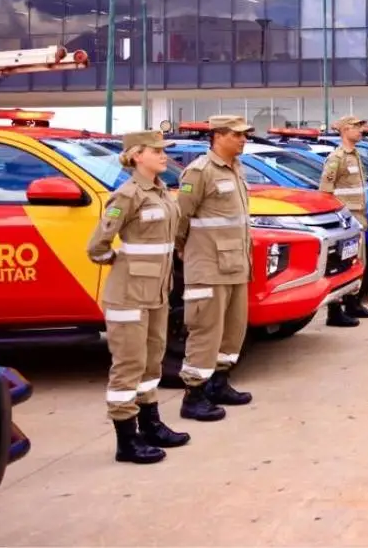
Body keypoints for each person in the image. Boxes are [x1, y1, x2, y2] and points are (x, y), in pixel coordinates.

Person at [86, 130, 190, 464]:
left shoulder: (161, 192)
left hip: (157, 292)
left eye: (164, 150)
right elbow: (96, 247)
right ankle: (126, 440)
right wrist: (119, 262)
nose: (163, 155)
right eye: (155, 150)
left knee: (151, 360)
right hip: (129, 294)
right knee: (128, 365)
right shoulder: (127, 195)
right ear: (136, 156)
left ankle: (151, 424)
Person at [175, 114, 254, 422]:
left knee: (233, 330)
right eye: (237, 134)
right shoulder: (199, 172)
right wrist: (185, 249)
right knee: (206, 331)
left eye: (244, 134)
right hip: (208, 265)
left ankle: (219, 383)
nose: (243, 139)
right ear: (218, 136)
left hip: (235, 264)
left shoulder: (236, 168)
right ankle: (193, 396)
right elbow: (180, 219)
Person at [318, 115, 368, 328]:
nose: (361, 131)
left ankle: (353, 303)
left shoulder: (355, 154)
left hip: (358, 218)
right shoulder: (337, 157)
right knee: (341, 265)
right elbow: (326, 191)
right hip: (345, 221)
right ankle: (334, 312)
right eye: (356, 127)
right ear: (344, 130)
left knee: (358, 263)